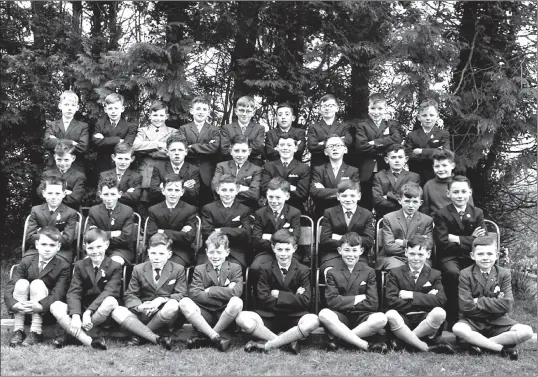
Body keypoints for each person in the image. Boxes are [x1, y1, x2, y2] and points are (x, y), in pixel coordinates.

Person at [236, 230, 320, 354]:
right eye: (279, 249)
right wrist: (294, 297)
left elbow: (306, 300)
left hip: (294, 316)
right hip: (270, 315)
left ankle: (267, 344)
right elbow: (263, 298)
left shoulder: (303, 270)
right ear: (273, 249)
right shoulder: (265, 268)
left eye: (287, 249)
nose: (283, 254)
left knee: (313, 320)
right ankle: (285, 342)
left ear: (294, 248)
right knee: (241, 318)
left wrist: (278, 295)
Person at [452, 236, 534, 360]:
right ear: (472, 256)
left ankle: (480, 344)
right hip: (473, 320)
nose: (485, 257)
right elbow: (465, 306)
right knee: (458, 329)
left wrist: (479, 301)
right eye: (480, 254)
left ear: (496, 255)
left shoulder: (504, 273)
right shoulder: (465, 274)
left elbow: (508, 305)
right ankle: (500, 348)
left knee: (527, 331)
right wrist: (496, 304)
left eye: (489, 253)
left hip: (498, 321)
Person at [49, 228, 122, 350]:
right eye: (90, 248)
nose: (95, 252)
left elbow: (109, 292)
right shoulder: (80, 265)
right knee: (55, 306)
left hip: (100, 312)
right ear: (85, 247)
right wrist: (76, 316)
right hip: (81, 309)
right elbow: (74, 292)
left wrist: (89, 312)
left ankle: (70, 335)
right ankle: (89, 340)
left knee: (110, 301)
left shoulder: (115, 266)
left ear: (107, 244)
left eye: (99, 247)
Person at [318, 232, 389, 353]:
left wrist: (343, 300)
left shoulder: (369, 272)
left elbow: (373, 303)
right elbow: (331, 302)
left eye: (354, 250)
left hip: (362, 316)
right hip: (341, 316)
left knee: (381, 318)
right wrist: (358, 299)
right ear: (340, 251)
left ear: (361, 251)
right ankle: (365, 345)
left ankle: (341, 340)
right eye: (347, 250)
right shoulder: (332, 272)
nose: (351, 255)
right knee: (324, 314)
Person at [110, 233, 182, 350]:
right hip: (144, 314)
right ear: (148, 252)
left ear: (169, 254)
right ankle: (156, 338)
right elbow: (130, 294)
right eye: (153, 253)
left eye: (161, 253)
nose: (156, 257)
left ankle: (139, 335)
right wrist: (140, 307)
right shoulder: (139, 269)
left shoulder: (178, 269)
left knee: (173, 305)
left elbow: (181, 293)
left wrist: (161, 300)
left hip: (163, 314)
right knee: (117, 311)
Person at [384, 235, 455, 354]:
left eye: (420, 255)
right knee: (391, 314)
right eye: (412, 254)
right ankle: (423, 346)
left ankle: (405, 342)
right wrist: (427, 298)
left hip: (425, 320)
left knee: (439, 312)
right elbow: (391, 301)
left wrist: (412, 295)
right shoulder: (395, 273)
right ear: (406, 252)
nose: (416, 258)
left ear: (428, 254)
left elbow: (441, 300)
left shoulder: (435, 274)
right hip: (403, 319)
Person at [433, 175, 487, 330]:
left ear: (470, 192)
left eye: (464, 191)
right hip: (449, 257)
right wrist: (470, 239)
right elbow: (443, 244)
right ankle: (453, 317)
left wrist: (456, 238)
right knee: (453, 273)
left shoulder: (477, 213)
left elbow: (481, 242)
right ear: (448, 193)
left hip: (472, 257)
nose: (460, 195)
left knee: (479, 272)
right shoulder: (441, 214)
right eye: (456, 192)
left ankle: (478, 317)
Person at [5, 226, 71, 347]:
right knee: (21, 283)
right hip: (24, 309)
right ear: (37, 244)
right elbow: (11, 285)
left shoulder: (63, 266)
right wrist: (14, 304)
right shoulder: (27, 261)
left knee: (37, 283)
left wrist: (40, 305)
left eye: (52, 245)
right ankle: (18, 330)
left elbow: (59, 293)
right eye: (44, 244)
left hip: (45, 313)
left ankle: (36, 332)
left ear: (58, 247)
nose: (47, 249)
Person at [179, 231, 243, 351]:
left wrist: (210, 290)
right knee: (184, 302)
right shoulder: (199, 269)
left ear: (227, 252)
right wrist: (225, 292)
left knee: (236, 301)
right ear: (207, 253)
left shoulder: (235, 268)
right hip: (205, 314)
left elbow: (236, 292)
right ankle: (215, 337)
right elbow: (195, 294)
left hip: (225, 314)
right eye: (211, 252)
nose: (215, 256)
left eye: (219, 252)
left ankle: (206, 337)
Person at [354, 93, 402, 210]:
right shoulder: (362, 126)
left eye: (380, 108)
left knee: (385, 201)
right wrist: (385, 146)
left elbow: (397, 140)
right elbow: (361, 146)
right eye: (373, 108)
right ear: (368, 108)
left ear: (385, 109)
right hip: (367, 169)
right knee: (365, 202)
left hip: (384, 167)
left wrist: (374, 142)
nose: (376, 112)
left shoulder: (389, 125)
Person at [318, 180, 375, 275]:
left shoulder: (366, 214)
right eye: (344, 196)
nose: (348, 199)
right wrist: (356, 240)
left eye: (352, 196)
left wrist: (340, 238)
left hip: (357, 256)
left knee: (360, 275)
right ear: (338, 197)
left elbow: (369, 241)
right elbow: (324, 241)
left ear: (359, 196)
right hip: (333, 255)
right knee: (331, 273)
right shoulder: (329, 213)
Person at [376, 182, 434, 271]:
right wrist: (416, 246)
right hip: (393, 257)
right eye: (407, 201)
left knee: (423, 268)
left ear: (421, 203)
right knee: (397, 269)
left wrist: (404, 243)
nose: (411, 205)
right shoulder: (389, 218)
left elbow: (428, 245)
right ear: (400, 201)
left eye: (415, 202)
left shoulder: (427, 220)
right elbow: (389, 247)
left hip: (418, 257)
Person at [199, 174, 251, 267]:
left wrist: (220, 230)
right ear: (218, 190)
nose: (227, 194)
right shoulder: (208, 208)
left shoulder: (244, 210)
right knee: (206, 268)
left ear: (237, 190)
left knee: (232, 268)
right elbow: (207, 232)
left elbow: (246, 233)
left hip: (235, 251)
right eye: (224, 190)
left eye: (231, 190)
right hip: (213, 249)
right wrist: (236, 231)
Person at [146, 174, 198, 267]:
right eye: (169, 190)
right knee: (148, 266)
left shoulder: (190, 210)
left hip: (180, 251)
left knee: (173, 267)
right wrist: (179, 233)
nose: (173, 194)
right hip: (157, 249)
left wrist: (161, 231)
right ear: (163, 191)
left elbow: (189, 237)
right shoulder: (154, 210)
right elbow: (151, 234)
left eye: (177, 190)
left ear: (182, 192)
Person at [251, 177, 301, 272]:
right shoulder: (260, 213)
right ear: (266, 195)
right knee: (255, 268)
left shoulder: (294, 213)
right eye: (270, 197)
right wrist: (283, 237)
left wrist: (269, 237)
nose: (274, 201)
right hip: (266, 253)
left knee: (294, 269)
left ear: (287, 196)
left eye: (278, 197)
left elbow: (295, 238)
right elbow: (256, 240)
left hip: (288, 252)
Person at [132, 100, 179, 201]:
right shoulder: (143, 130)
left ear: (166, 117)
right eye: (155, 115)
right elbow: (136, 146)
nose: (158, 119)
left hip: (165, 171)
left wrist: (148, 151)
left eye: (161, 116)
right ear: (150, 116)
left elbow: (172, 152)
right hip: (146, 172)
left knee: (164, 201)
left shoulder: (173, 132)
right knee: (144, 201)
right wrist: (157, 145)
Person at [178, 96, 220, 207]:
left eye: (204, 109)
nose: (201, 112)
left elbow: (214, 148)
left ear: (208, 112)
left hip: (207, 171)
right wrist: (206, 146)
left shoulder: (214, 130)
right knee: (188, 200)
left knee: (206, 202)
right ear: (191, 111)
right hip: (188, 169)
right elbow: (182, 147)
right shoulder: (184, 129)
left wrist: (192, 146)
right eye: (198, 109)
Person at [26, 176, 79, 263]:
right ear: (44, 193)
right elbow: (29, 238)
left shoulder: (70, 213)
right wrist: (58, 234)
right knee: (28, 261)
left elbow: (67, 241)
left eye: (57, 193)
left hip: (61, 251)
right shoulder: (36, 210)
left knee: (60, 263)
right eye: (50, 193)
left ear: (63, 194)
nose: (53, 197)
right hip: (37, 249)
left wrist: (41, 233)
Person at [310, 134, 360, 220]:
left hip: (346, 214)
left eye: (338, 145)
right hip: (323, 214)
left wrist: (325, 190)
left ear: (345, 150)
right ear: (325, 152)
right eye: (331, 146)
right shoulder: (318, 170)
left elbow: (354, 193)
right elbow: (315, 192)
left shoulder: (353, 171)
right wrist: (343, 191)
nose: (334, 148)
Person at [87, 177, 134, 266]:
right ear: (100, 194)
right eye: (106, 194)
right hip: (96, 248)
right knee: (88, 263)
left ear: (119, 194)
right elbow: (89, 236)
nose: (109, 198)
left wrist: (100, 234)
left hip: (120, 250)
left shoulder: (127, 211)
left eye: (113, 194)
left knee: (113, 264)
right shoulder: (94, 211)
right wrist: (111, 234)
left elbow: (126, 239)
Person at [404, 99, 451, 186]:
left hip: (436, 175)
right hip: (416, 176)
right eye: (424, 115)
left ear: (437, 116)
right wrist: (435, 151)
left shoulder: (443, 134)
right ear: (419, 117)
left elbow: (445, 153)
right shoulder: (411, 135)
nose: (428, 118)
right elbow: (408, 155)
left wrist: (421, 151)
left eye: (431, 115)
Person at [261, 132, 310, 212]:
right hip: (271, 210)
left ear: (295, 148)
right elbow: (264, 189)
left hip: (295, 209)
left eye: (289, 145)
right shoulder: (268, 166)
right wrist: (292, 187)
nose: (285, 148)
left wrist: (274, 186)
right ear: (277, 147)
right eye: (282, 145)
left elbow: (302, 194)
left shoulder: (304, 168)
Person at [212, 134, 262, 210]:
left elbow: (255, 194)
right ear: (230, 151)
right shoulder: (221, 166)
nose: (240, 155)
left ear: (249, 151)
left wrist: (226, 189)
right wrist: (240, 188)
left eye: (244, 151)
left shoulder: (256, 169)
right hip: (222, 207)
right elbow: (214, 187)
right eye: (236, 151)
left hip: (245, 208)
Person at [149, 134, 200, 207]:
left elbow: (194, 193)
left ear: (186, 152)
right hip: (163, 207)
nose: (176, 153)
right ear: (167, 152)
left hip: (185, 208)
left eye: (180, 150)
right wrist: (183, 186)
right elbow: (153, 191)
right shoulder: (159, 167)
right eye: (173, 150)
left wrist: (163, 186)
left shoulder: (193, 169)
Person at [44, 90, 89, 172]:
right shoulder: (52, 125)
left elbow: (83, 147)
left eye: (73, 105)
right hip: (54, 167)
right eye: (66, 105)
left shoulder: (83, 126)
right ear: (60, 106)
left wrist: (56, 140)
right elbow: (47, 143)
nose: (69, 108)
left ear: (77, 108)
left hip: (75, 169)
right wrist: (71, 142)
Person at [420, 150, 474, 217]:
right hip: (437, 223)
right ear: (433, 167)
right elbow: (424, 210)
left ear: (452, 166)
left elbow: (470, 209)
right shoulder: (429, 185)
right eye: (437, 166)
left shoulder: (462, 183)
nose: (440, 169)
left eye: (444, 165)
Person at [92, 93, 137, 173]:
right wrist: (118, 140)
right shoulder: (100, 124)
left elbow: (126, 145)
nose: (113, 112)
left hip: (121, 164)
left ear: (122, 109)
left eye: (116, 108)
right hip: (103, 164)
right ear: (105, 110)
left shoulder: (129, 126)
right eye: (110, 108)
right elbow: (96, 142)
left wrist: (104, 140)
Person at [372, 144, 420, 218]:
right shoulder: (379, 176)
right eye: (393, 157)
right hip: (384, 216)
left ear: (406, 159)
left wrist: (388, 195)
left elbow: (411, 198)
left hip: (406, 216)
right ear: (386, 160)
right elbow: (378, 200)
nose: (397, 160)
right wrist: (401, 202)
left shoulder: (414, 177)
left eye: (400, 157)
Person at [37, 140, 86, 211]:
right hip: (49, 211)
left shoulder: (79, 176)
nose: (62, 163)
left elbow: (76, 198)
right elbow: (40, 192)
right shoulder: (47, 174)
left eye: (66, 160)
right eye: (59, 160)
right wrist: (65, 193)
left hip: (70, 211)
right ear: (54, 157)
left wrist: (51, 194)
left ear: (73, 158)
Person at [307, 94, 353, 168]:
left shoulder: (344, 126)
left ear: (337, 108)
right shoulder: (313, 127)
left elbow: (348, 142)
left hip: (340, 166)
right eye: (324, 106)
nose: (327, 108)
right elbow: (312, 147)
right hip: (319, 166)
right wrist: (339, 142)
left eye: (331, 106)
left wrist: (322, 143)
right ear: (319, 110)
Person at [220, 96, 265, 167]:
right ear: (236, 111)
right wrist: (248, 147)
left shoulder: (259, 128)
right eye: (241, 110)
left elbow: (258, 148)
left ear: (253, 113)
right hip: (231, 165)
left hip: (252, 165)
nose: (244, 114)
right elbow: (225, 149)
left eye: (248, 111)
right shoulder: (227, 128)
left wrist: (235, 149)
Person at [98, 142, 143, 211]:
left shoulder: (136, 177)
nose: (123, 162)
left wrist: (110, 195)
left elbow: (135, 197)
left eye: (126, 159)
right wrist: (125, 194)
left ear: (132, 159)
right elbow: (98, 196)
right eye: (120, 158)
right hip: (107, 210)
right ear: (113, 157)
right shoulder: (104, 175)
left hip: (127, 211)